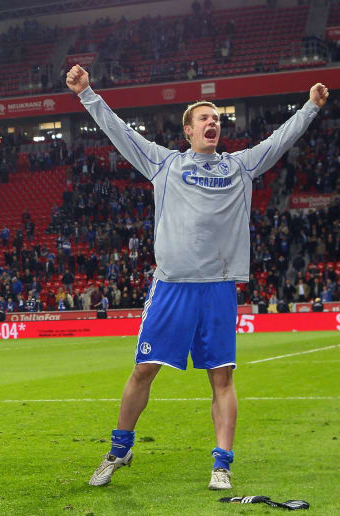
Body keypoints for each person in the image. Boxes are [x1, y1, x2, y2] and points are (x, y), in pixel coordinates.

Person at [65, 63, 327, 490]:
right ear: (187, 130)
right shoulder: (164, 163)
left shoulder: (239, 166)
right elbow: (119, 132)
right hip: (172, 287)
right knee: (143, 369)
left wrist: (311, 107)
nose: (214, 122)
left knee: (222, 377)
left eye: (217, 118)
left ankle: (221, 463)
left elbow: (279, 140)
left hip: (218, 288)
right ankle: (119, 448)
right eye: (204, 117)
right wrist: (86, 93)